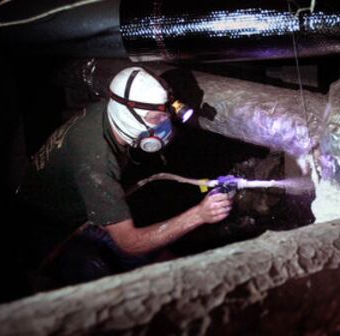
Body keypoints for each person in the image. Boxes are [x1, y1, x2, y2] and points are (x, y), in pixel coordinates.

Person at [15, 66, 233, 285]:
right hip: (45, 227)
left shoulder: (106, 112)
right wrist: (200, 215)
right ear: (128, 114)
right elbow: (129, 243)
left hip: (78, 203)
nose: (165, 124)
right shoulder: (96, 164)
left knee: (169, 264)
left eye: (167, 113)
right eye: (156, 118)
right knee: (97, 272)